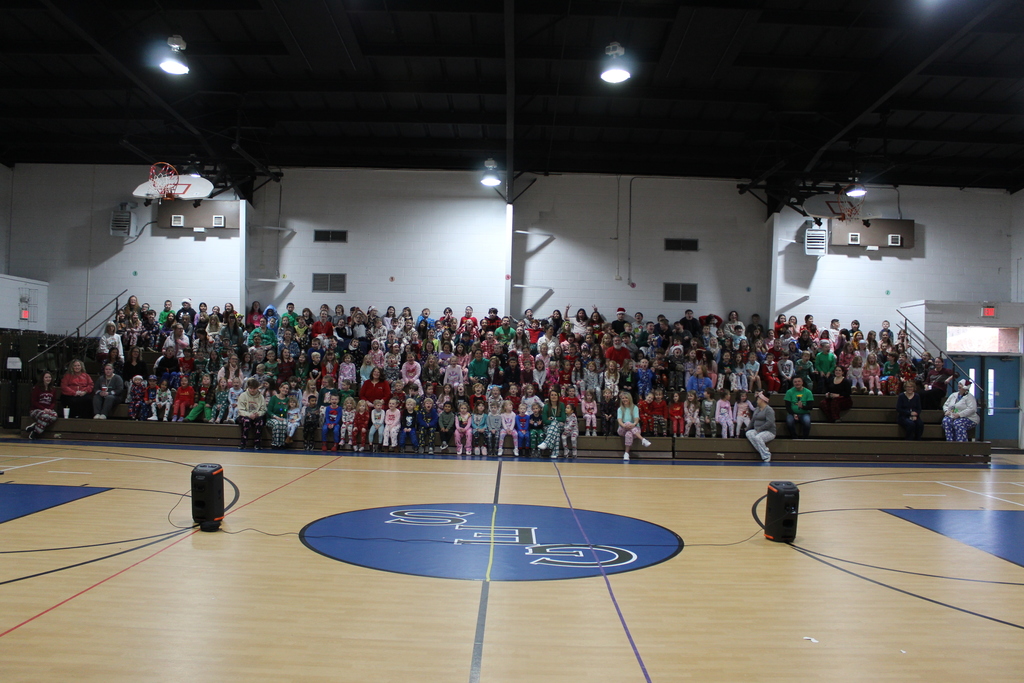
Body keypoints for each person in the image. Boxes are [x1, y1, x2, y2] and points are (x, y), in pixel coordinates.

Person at [616, 391, 651, 461]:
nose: (624, 399)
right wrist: (624, 425)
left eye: (626, 398)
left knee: (629, 433)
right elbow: (619, 420)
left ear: (629, 399)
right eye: (623, 398)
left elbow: (637, 419)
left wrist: (634, 424)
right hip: (622, 429)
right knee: (627, 423)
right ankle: (643, 440)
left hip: (635, 429)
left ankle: (626, 453)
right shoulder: (620, 409)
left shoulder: (635, 408)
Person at [26, 371, 59, 439]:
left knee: (54, 416)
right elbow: (34, 402)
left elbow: (53, 402)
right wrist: (44, 409)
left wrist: (50, 409)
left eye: (49, 377)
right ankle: (36, 433)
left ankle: (35, 427)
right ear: (42, 379)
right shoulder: (37, 388)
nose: (48, 379)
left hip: (48, 410)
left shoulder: (53, 389)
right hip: (36, 410)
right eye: (46, 377)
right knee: (45, 416)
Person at [237, 378, 268, 450]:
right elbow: (240, 410)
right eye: (251, 388)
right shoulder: (243, 395)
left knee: (260, 421)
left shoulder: (261, 397)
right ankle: (243, 443)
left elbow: (263, 409)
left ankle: (257, 443)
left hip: (256, 415)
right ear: (248, 387)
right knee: (246, 421)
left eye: (254, 388)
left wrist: (258, 414)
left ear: (257, 388)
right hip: (244, 415)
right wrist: (249, 415)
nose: (252, 390)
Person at [745, 391, 776, 462]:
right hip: (758, 430)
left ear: (762, 400)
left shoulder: (769, 410)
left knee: (758, 437)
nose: (757, 400)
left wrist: (760, 429)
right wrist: (747, 428)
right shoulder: (757, 409)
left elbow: (770, 422)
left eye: (758, 399)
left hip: (769, 431)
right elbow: (752, 420)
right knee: (749, 433)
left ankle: (766, 455)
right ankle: (764, 450)